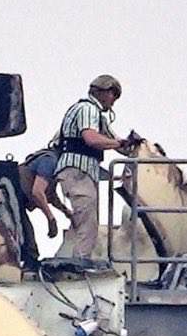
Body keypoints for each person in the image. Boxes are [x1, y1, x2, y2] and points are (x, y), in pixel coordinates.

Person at [53, 74, 134, 258]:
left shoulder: (98, 116)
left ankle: (78, 258)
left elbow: (112, 141)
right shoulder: (87, 109)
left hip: (85, 173)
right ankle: (79, 264)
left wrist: (132, 146)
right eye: (114, 95)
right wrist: (120, 144)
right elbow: (91, 139)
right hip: (78, 171)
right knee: (87, 223)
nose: (114, 101)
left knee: (88, 220)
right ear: (103, 92)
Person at [18, 147, 67, 239]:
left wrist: (67, 212)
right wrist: (51, 218)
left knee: (26, 241)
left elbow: (51, 196)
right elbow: (37, 192)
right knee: (27, 244)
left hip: (17, 202)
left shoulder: (52, 161)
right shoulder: (50, 161)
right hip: (12, 200)